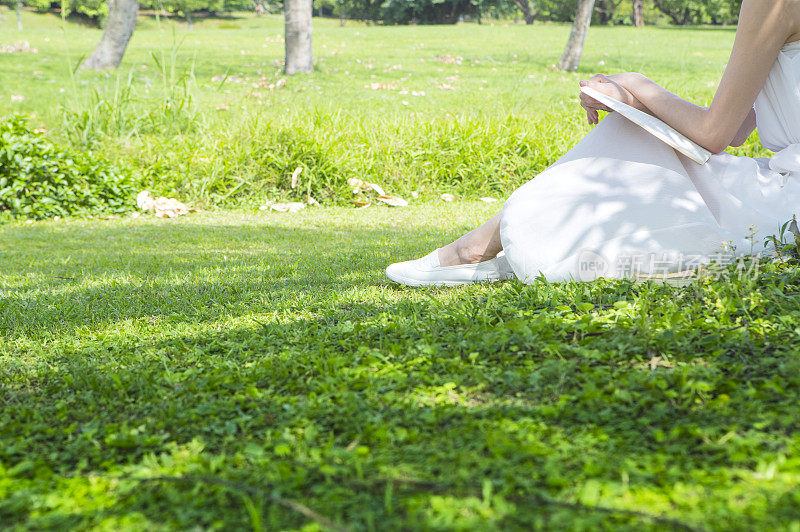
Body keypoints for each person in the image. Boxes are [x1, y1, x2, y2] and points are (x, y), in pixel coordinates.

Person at [386, 0, 800, 287]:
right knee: (638, 128)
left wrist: (636, 86)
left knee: (627, 132)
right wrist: (633, 101)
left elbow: (717, 134)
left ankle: (477, 248)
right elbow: (739, 127)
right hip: (783, 183)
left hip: (790, 201)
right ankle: (490, 244)